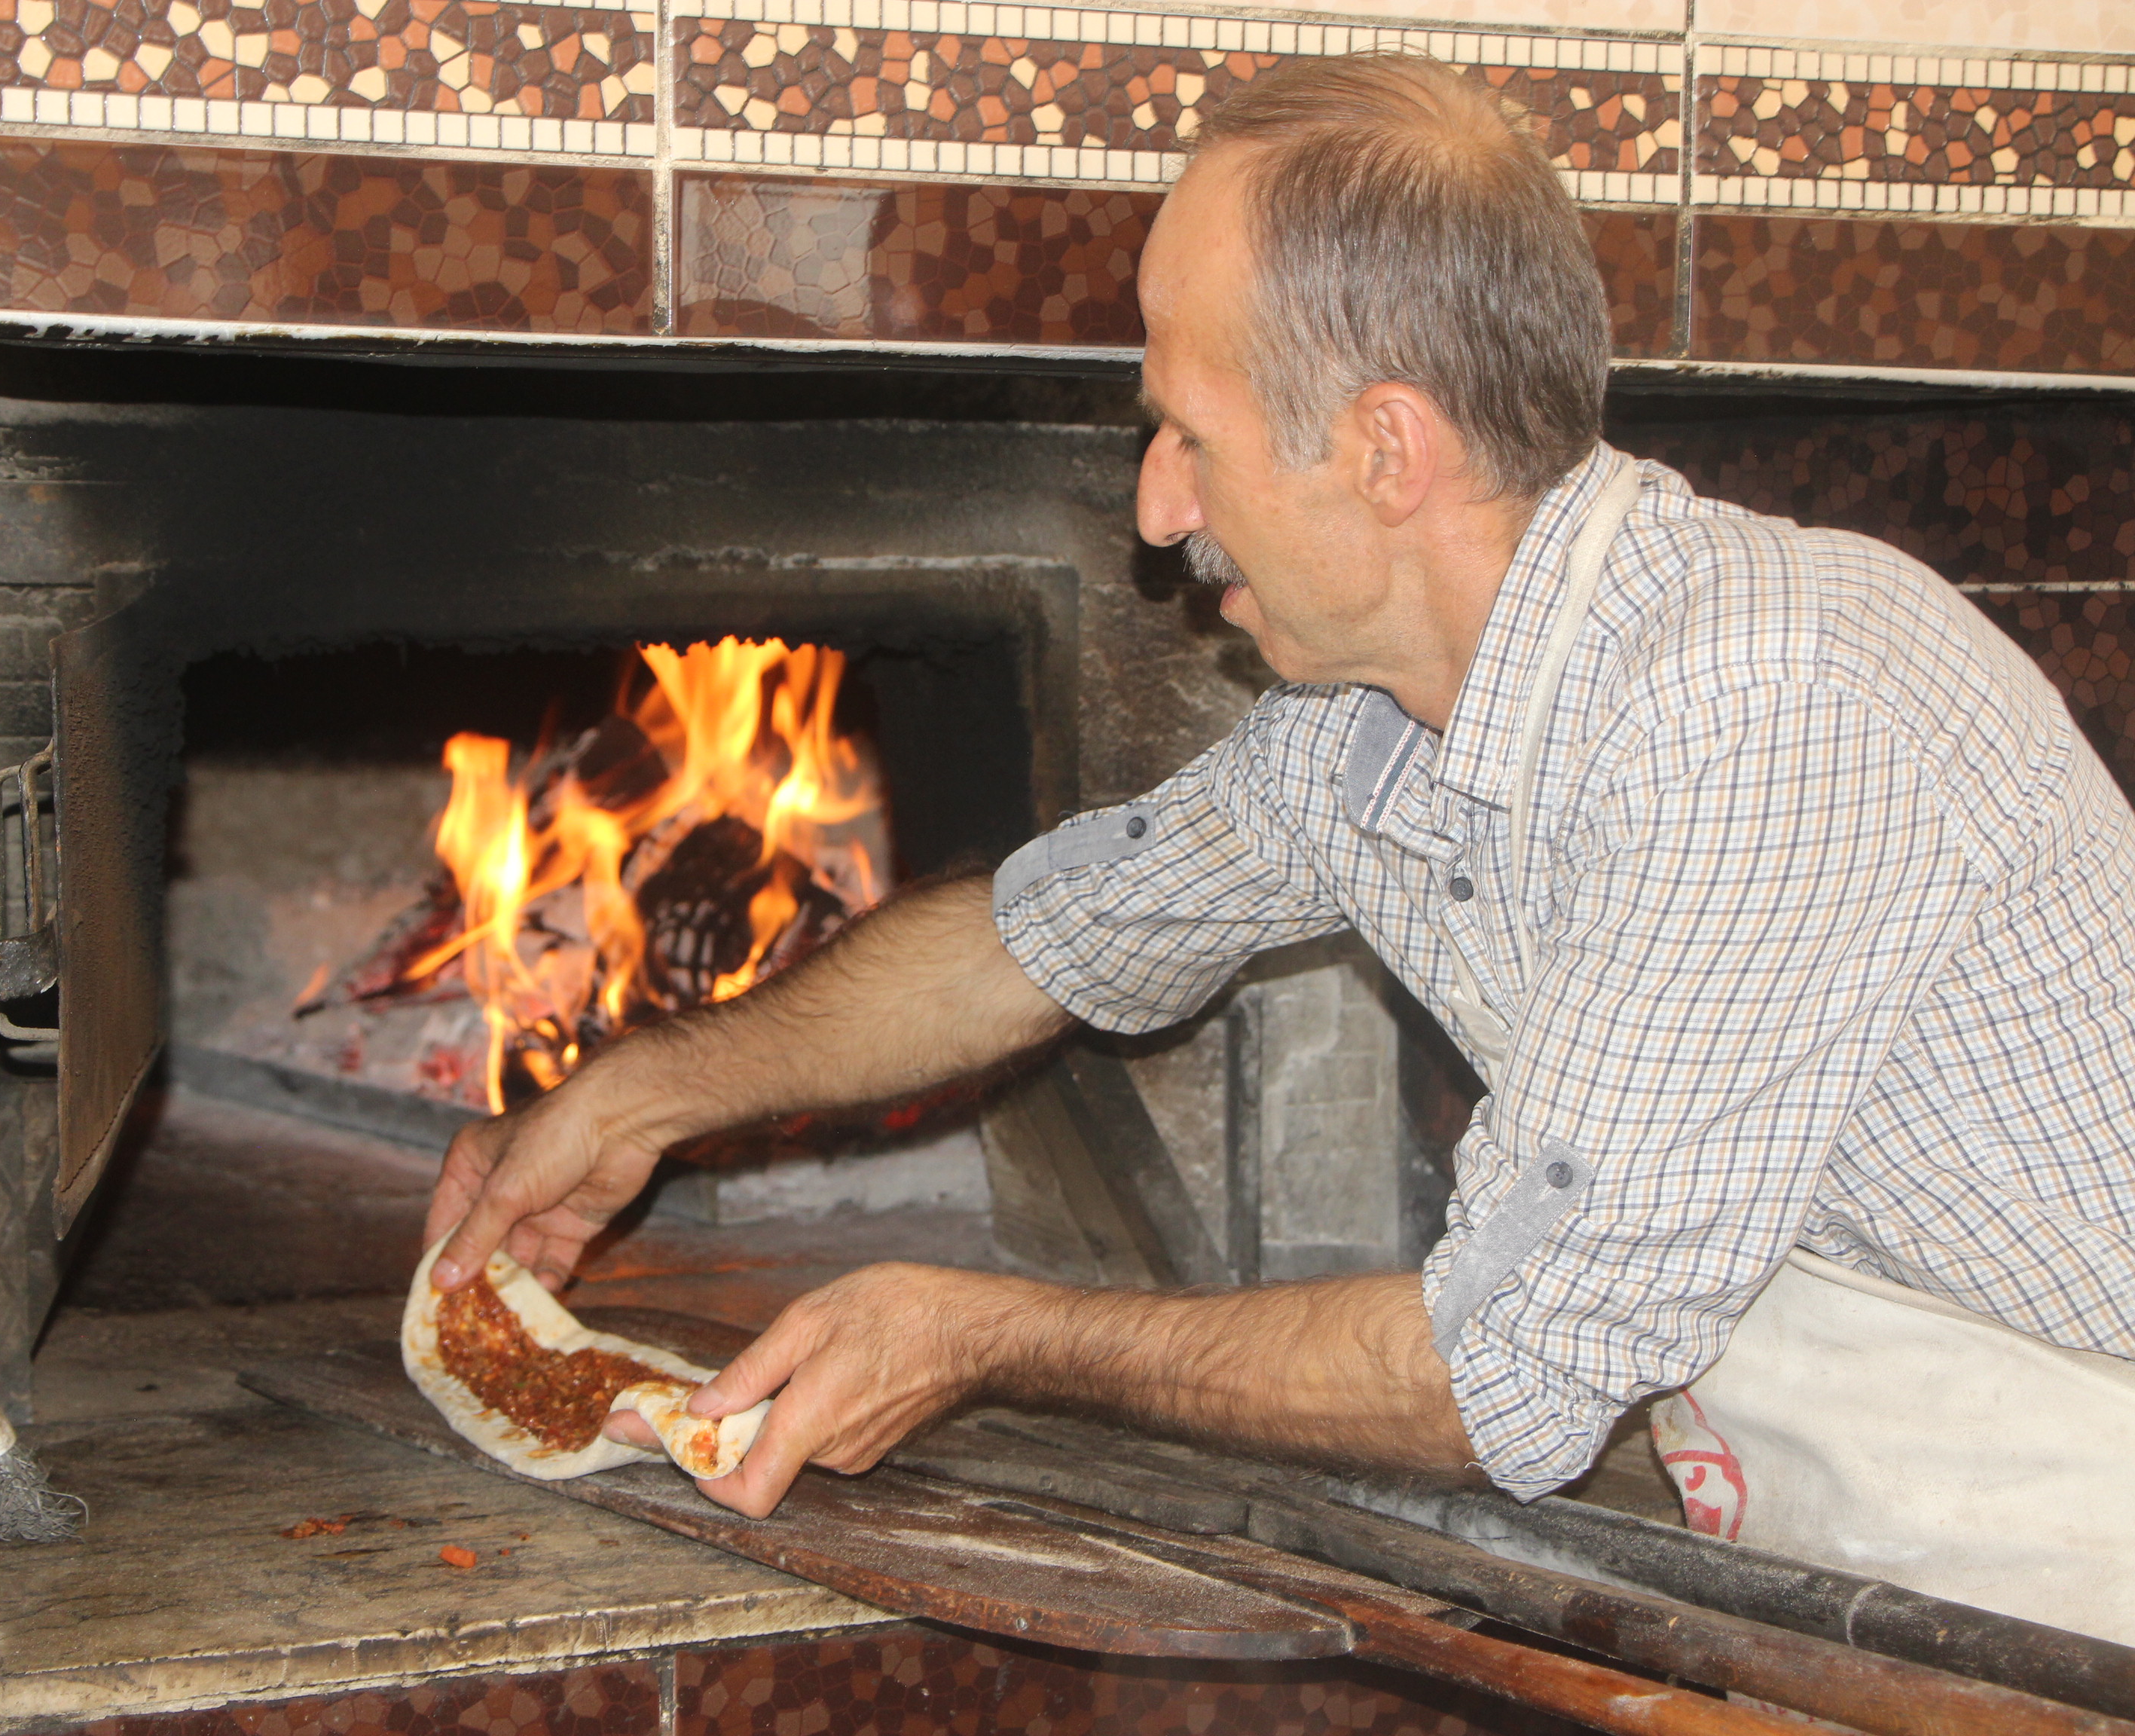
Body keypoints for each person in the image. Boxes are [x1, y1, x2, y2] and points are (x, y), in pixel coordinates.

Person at [423, 53, 2135, 1640]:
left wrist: (981, 1331)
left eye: (1189, 433)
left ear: (1384, 448)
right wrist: (640, 1094)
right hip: (1858, 1542)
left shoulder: (1754, 708)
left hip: (2082, 1534)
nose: (1157, 509)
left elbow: (1502, 1380)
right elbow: (1039, 942)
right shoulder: (1370, 723)